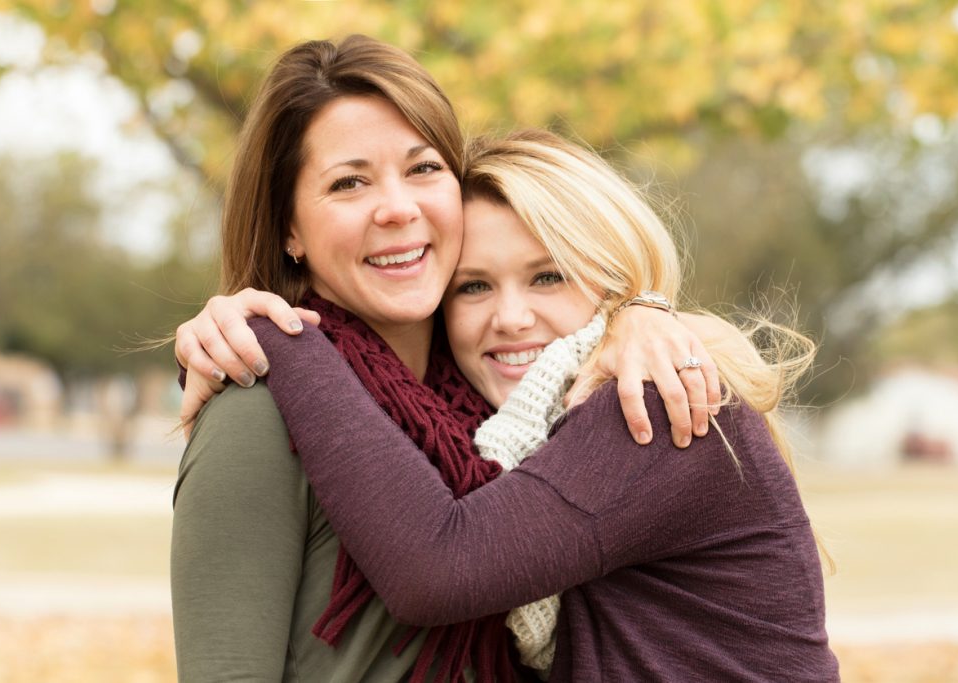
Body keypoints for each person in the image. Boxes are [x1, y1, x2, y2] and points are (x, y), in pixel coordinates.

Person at [170, 35, 719, 682]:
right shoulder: (257, 409)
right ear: (289, 226)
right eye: (349, 182)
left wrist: (638, 310)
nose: (398, 208)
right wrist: (273, 337)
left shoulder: (507, 399)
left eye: (424, 168)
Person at [223, 130, 840, 681]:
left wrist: (281, 330)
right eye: (474, 286)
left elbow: (437, 571)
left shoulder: (651, 401)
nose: (512, 319)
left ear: (616, 280)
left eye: (548, 276)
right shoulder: (518, 426)